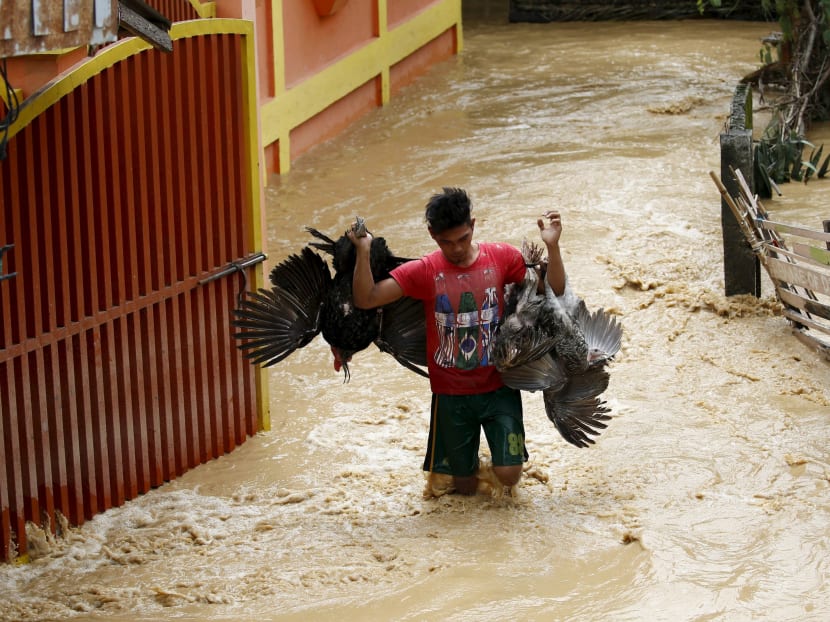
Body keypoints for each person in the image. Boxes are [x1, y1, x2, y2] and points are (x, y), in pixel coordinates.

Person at [348, 187, 566, 496]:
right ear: (432, 236)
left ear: (473, 225)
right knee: (464, 488)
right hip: (451, 396)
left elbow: (552, 291)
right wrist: (363, 250)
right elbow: (366, 298)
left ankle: (500, 459)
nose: (457, 249)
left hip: (499, 388)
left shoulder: (501, 258)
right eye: (447, 242)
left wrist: (553, 247)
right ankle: (466, 471)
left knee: (509, 475)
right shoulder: (425, 271)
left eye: (463, 238)